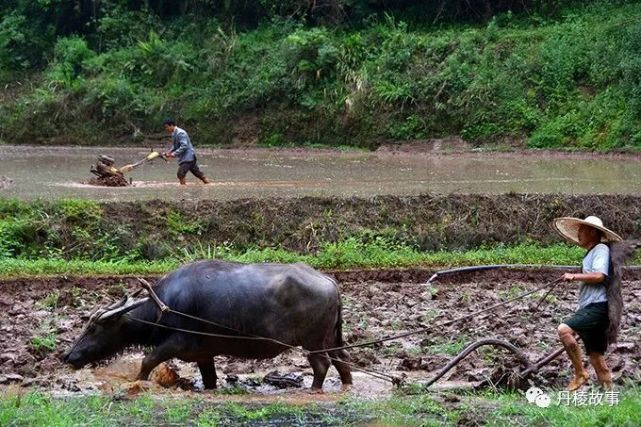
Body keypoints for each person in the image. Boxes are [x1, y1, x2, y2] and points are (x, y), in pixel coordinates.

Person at [553, 215, 622, 391]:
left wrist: (574, 276)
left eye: (581, 230)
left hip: (597, 306)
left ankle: (580, 373)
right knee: (597, 359)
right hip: (596, 307)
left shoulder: (600, 249)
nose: (579, 234)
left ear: (592, 232)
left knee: (564, 330)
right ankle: (610, 401)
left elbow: (599, 276)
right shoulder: (592, 253)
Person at [163, 119, 210, 185]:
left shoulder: (181, 133)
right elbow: (175, 146)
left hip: (188, 157)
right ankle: (209, 185)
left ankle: (183, 190)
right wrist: (169, 152)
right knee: (198, 174)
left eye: (167, 127)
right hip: (187, 158)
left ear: (171, 125)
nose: (166, 129)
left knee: (180, 174)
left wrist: (173, 154)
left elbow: (184, 146)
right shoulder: (174, 133)